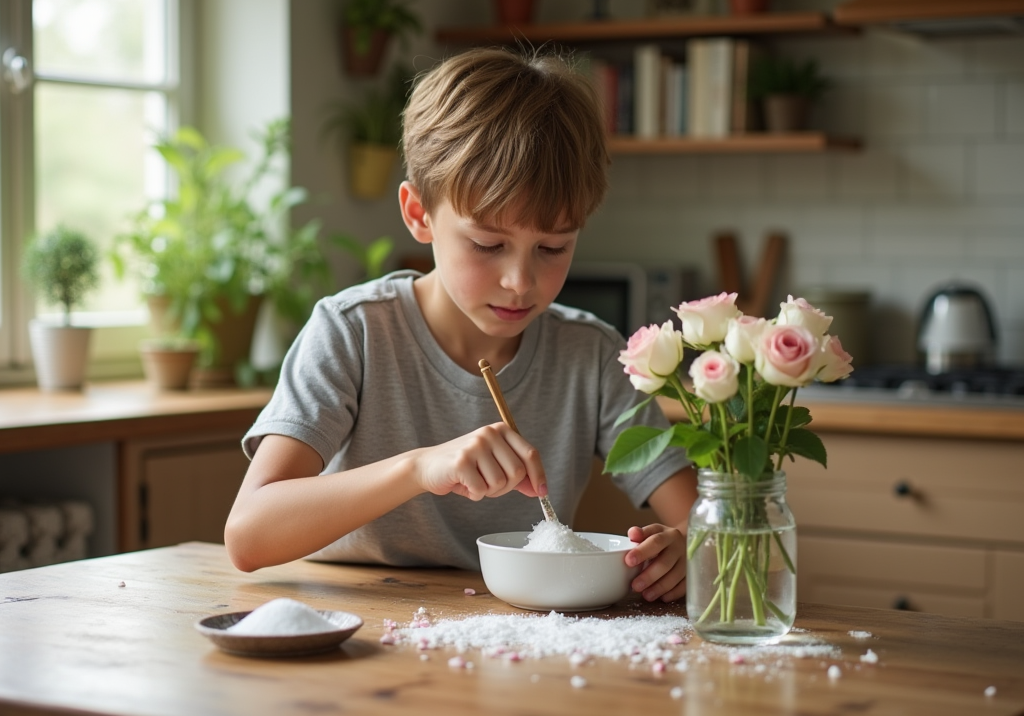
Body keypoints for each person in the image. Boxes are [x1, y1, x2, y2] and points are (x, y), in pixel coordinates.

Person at [224, 48, 697, 603]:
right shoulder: (353, 333)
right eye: (487, 244)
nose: (520, 280)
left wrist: (685, 550)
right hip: (353, 632)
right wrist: (420, 468)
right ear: (419, 214)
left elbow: (700, 526)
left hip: (518, 647)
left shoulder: (589, 355)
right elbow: (248, 535)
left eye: (553, 247)